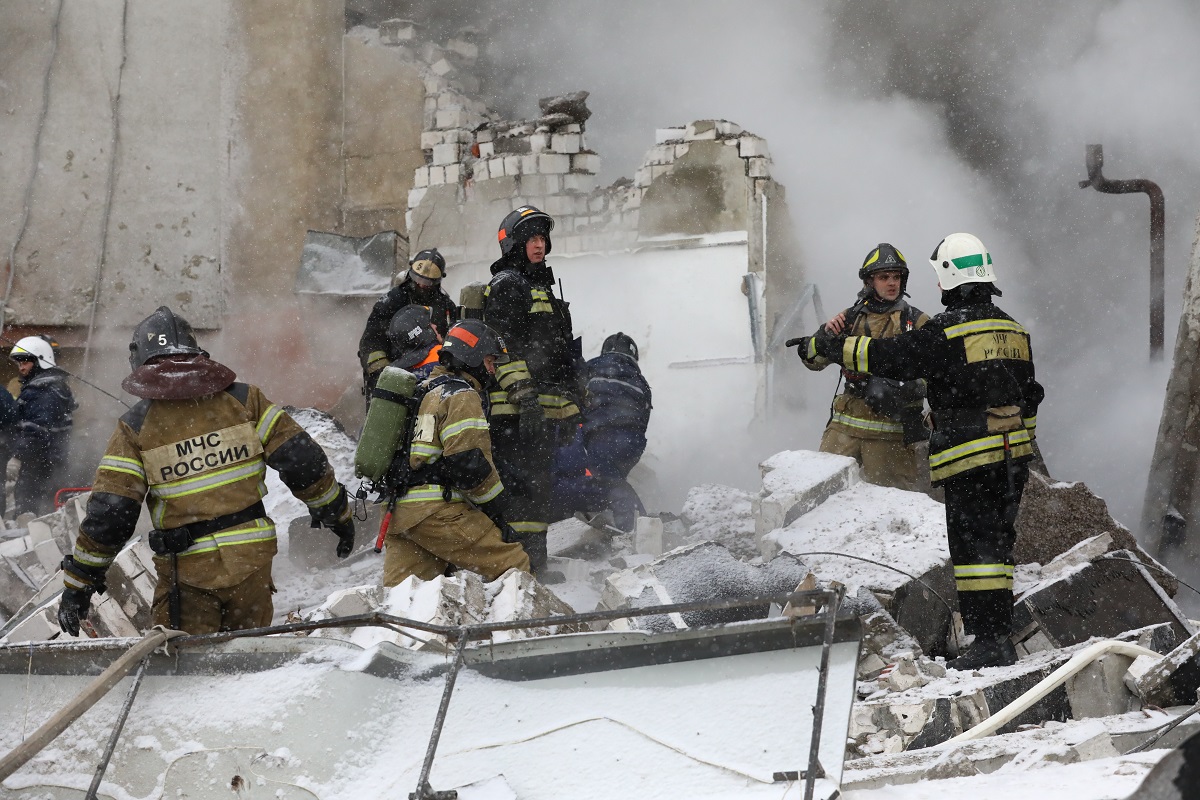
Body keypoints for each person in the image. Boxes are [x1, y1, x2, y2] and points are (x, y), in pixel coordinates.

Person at [806, 233, 1042, 670]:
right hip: (1013, 460)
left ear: (951, 278)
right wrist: (1019, 450)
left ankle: (989, 643)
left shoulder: (947, 329)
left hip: (972, 459)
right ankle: (996, 636)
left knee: (974, 554)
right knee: (997, 548)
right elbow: (1032, 396)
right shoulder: (1014, 329)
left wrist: (832, 346)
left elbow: (895, 357)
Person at [56, 306, 355, 636]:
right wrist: (335, 511)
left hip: (187, 575)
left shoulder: (136, 426)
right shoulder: (245, 400)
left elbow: (112, 512)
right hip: (251, 561)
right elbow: (301, 460)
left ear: (140, 360)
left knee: (192, 671)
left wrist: (79, 583)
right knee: (250, 661)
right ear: (196, 351)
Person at [379, 319, 530, 586]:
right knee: (513, 564)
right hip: (436, 511)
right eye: (489, 360)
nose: (493, 369)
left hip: (400, 512)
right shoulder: (461, 395)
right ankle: (521, 628)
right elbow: (468, 464)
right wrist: (498, 514)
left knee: (406, 597)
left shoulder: (422, 390)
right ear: (471, 356)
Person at [482, 205, 582, 570]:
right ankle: (517, 570)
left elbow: (556, 359)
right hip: (514, 412)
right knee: (522, 492)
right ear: (515, 245)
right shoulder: (509, 285)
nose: (539, 246)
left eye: (543, 238)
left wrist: (568, 407)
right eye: (532, 239)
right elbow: (500, 347)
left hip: (537, 411)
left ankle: (530, 568)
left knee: (535, 491)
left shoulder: (541, 288)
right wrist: (526, 399)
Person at [792, 244, 929, 491]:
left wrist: (901, 388)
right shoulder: (850, 318)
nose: (892, 283)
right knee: (820, 495)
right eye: (884, 277)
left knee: (891, 511)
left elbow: (936, 374)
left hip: (891, 434)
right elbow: (813, 362)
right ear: (869, 281)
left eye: (896, 277)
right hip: (845, 427)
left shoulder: (916, 322)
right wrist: (821, 338)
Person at [559, 332, 652, 532]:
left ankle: (633, 531)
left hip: (596, 436)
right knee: (613, 481)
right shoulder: (641, 381)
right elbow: (644, 420)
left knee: (606, 483)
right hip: (630, 443)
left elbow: (575, 400)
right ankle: (635, 526)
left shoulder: (590, 367)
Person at [358, 248, 458, 393]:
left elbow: (451, 342)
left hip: (431, 375)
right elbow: (372, 341)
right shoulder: (392, 301)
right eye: (418, 280)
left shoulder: (446, 306)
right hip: (395, 371)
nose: (422, 285)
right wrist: (384, 374)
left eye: (427, 282)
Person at [10, 336, 75, 516]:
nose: (21, 367)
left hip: (40, 463)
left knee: (30, 511)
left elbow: (36, 431)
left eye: (25, 362)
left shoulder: (42, 391)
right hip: (50, 461)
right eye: (19, 363)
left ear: (40, 360)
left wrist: (17, 457)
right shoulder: (50, 387)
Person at [386, 304, 443, 382]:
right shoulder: (444, 355)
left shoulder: (393, 372)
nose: (435, 326)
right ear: (422, 331)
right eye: (430, 324)